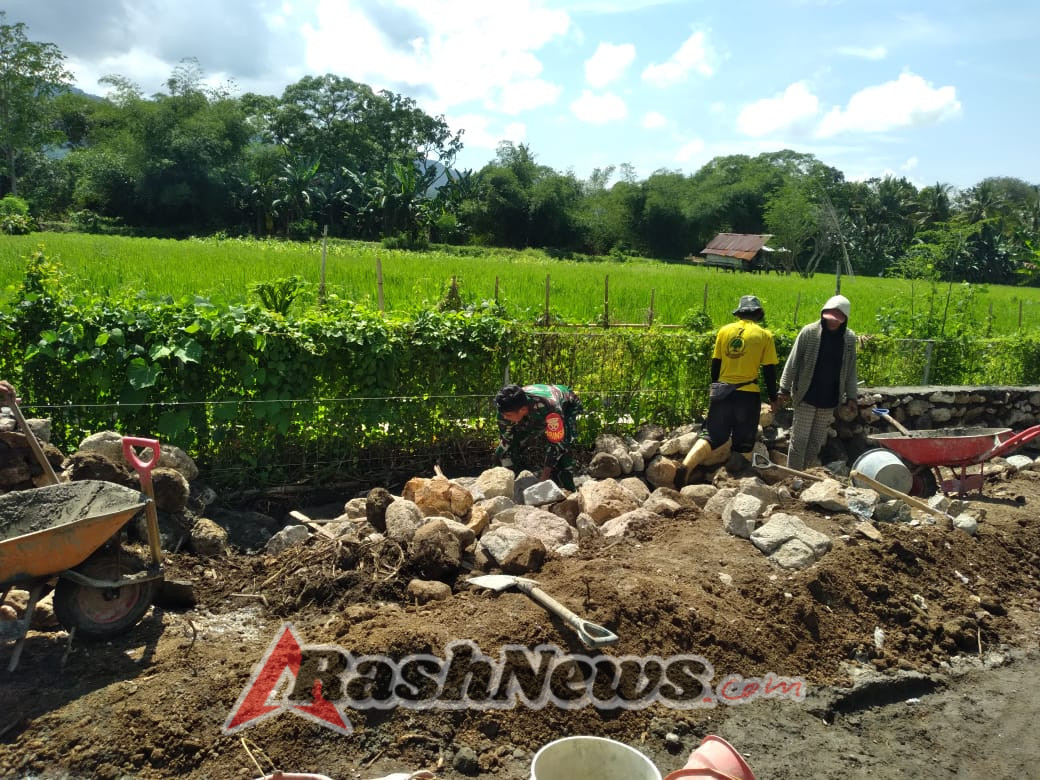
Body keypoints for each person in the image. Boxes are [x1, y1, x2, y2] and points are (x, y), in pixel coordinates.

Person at [680, 295, 780, 481]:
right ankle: (737, 481)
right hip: (748, 395)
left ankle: (686, 465)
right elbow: (769, 371)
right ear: (758, 314)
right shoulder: (764, 336)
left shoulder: (724, 331)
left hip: (722, 392)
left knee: (711, 435)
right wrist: (773, 398)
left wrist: (716, 390)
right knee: (744, 441)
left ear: (739, 312)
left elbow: (715, 365)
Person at [778, 294, 859, 470]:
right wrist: (784, 388)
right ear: (824, 314)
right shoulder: (809, 332)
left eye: (837, 320)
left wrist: (852, 397)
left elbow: (851, 370)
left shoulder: (849, 339)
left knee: (815, 442)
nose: (833, 322)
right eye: (830, 318)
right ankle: (793, 476)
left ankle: (806, 474)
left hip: (829, 398)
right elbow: (793, 361)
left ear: (844, 320)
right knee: (799, 440)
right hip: (806, 394)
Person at [494, 383, 582, 491]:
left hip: (567, 404)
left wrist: (544, 478)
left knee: (563, 448)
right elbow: (507, 439)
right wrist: (497, 459)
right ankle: (516, 484)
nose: (504, 418)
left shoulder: (551, 408)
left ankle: (568, 490)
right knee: (512, 446)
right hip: (534, 411)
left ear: (522, 410)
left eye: (508, 416)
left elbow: (557, 444)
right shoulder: (505, 411)